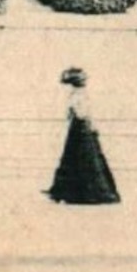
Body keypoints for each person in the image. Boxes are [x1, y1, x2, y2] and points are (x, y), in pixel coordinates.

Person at [46, 67, 120, 205]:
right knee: (87, 159)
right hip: (82, 129)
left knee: (75, 158)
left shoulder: (76, 96)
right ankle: (89, 192)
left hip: (78, 129)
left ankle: (74, 192)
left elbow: (78, 114)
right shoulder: (80, 95)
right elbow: (84, 114)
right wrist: (91, 127)